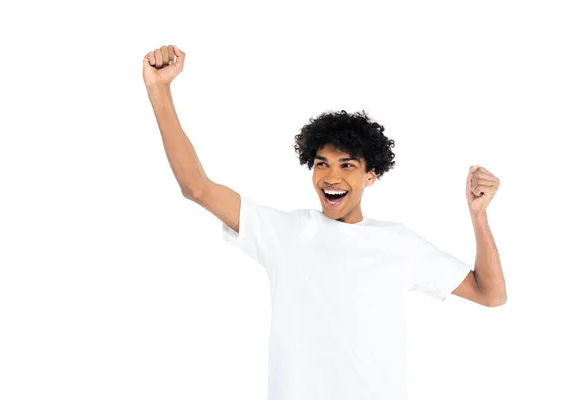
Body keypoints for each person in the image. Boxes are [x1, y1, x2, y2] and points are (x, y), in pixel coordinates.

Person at [143, 44, 507, 400]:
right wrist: (160, 91)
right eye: (322, 164)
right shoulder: (283, 232)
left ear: (371, 176)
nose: (331, 177)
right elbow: (197, 188)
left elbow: (490, 293)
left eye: (347, 165)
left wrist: (479, 216)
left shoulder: (400, 243)